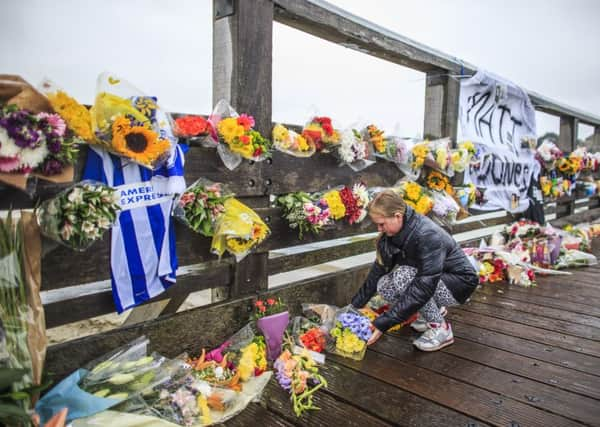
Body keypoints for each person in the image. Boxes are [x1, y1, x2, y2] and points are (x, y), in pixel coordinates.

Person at [351, 189, 479, 351]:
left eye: (381, 224)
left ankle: (441, 329)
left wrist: (384, 323)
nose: (379, 229)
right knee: (384, 286)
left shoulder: (427, 234)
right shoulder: (391, 235)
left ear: (397, 216)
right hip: (435, 280)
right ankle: (434, 309)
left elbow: (425, 284)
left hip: (460, 283)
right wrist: (354, 306)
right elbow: (378, 271)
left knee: (403, 276)